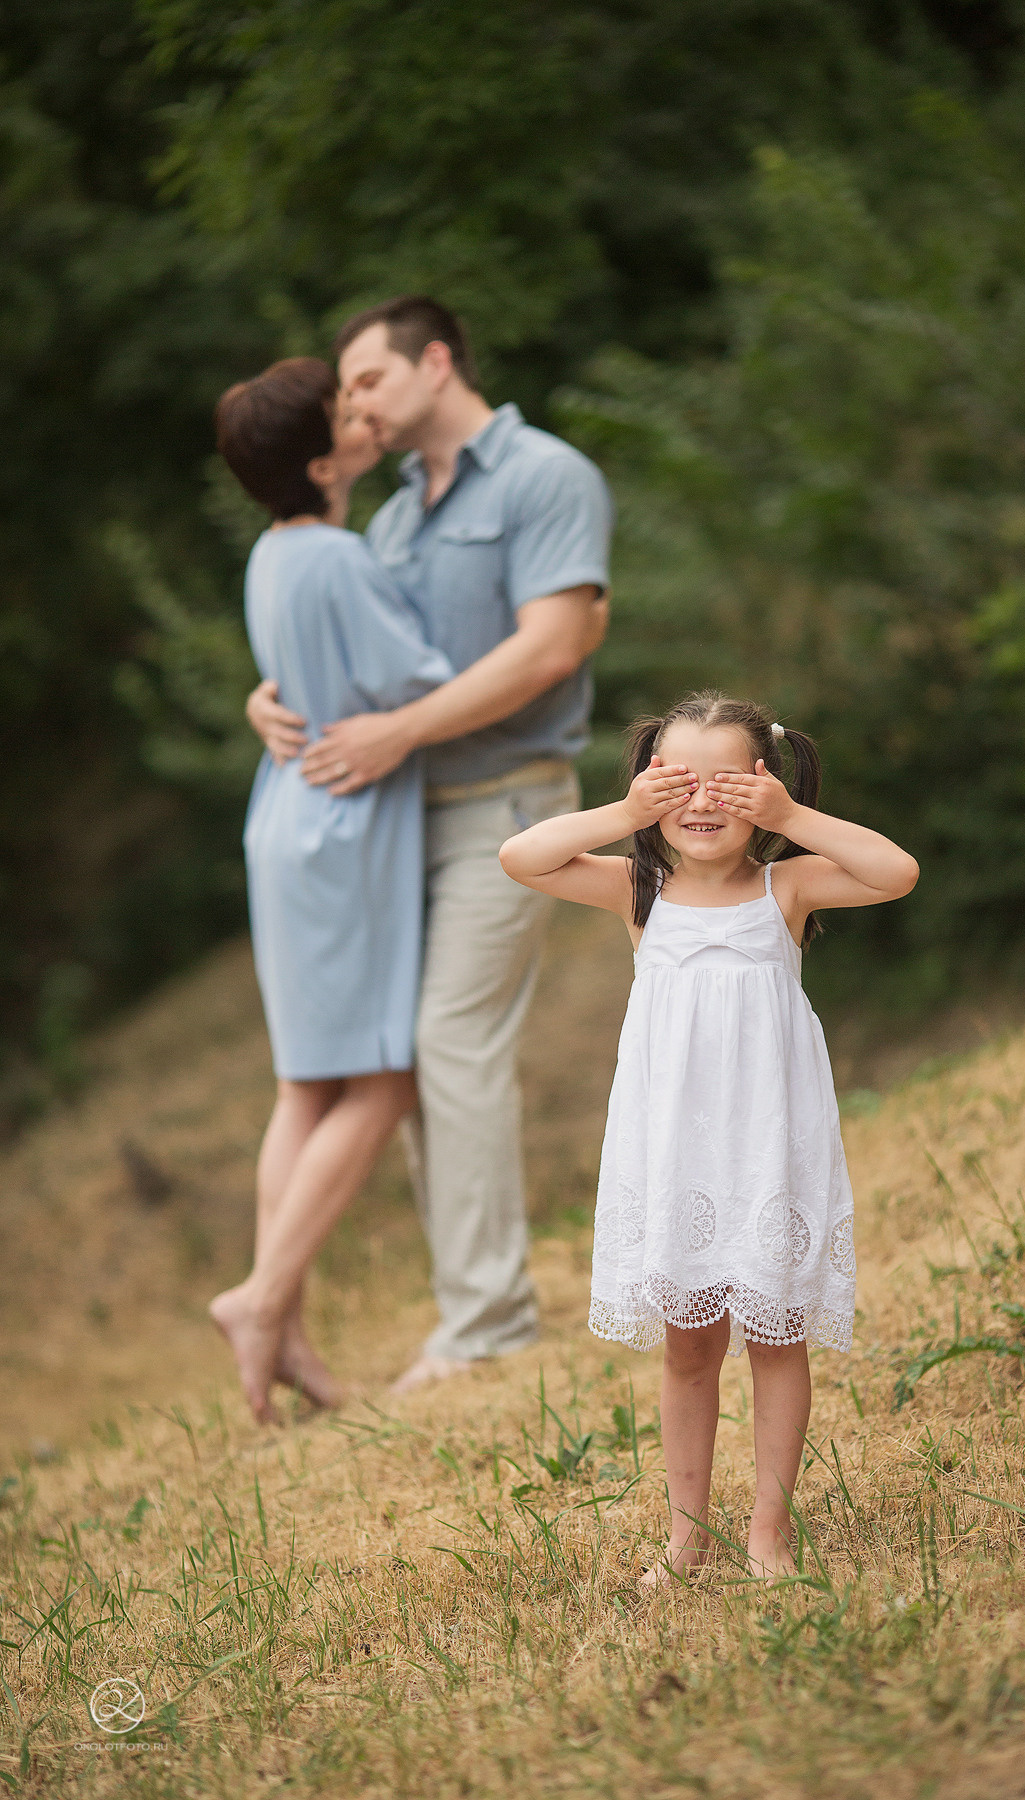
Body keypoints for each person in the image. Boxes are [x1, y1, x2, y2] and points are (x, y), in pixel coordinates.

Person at [246, 296, 612, 1392]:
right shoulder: (393, 520)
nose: (353, 404)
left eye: (367, 379)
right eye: (345, 391)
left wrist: (400, 728)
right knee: (401, 1057)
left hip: (506, 807)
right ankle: (463, 1309)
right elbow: (352, 655)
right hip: (393, 825)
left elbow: (551, 648)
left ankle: (486, 1326)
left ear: (436, 362)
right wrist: (268, 699)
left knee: (450, 1042)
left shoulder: (546, 477)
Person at [498, 691, 919, 1582]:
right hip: (676, 1151)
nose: (700, 803)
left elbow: (896, 872)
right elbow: (520, 857)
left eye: (726, 784)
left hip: (767, 1145)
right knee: (690, 1345)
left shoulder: (785, 887)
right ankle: (685, 1538)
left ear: (763, 785)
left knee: (775, 1335)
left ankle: (769, 1532)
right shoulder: (638, 891)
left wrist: (792, 819)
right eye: (677, 783)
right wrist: (624, 814)